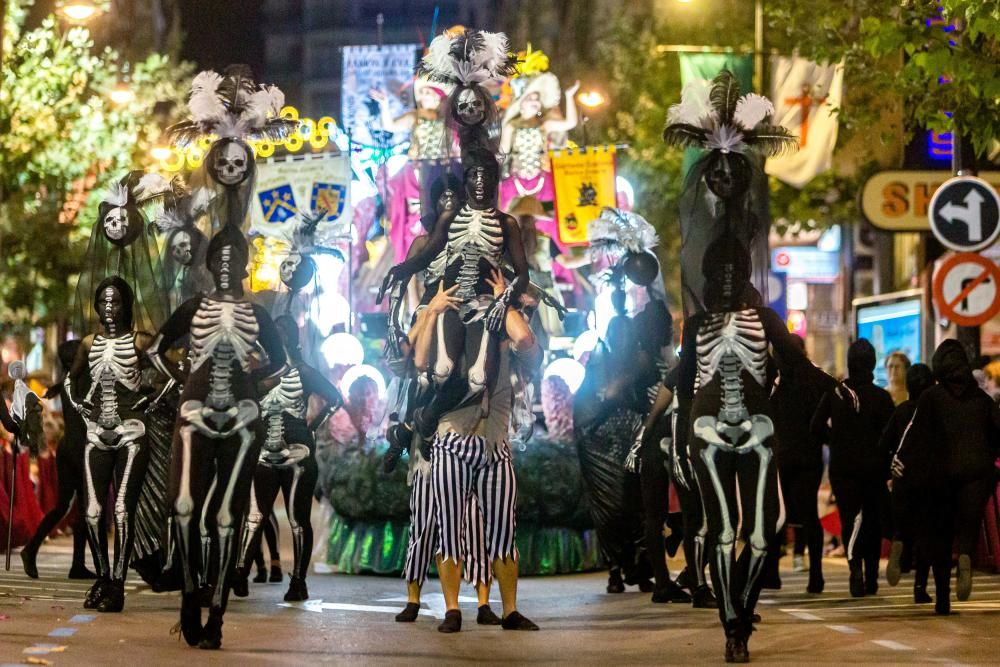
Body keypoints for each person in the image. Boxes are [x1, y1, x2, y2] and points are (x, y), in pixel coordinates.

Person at [149, 227, 286, 649]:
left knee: (230, 515)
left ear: (246, 265)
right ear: (209, 265)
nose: (227, 265)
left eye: (235, 257)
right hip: (196, 410)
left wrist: (254, 383)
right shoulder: (193, 308)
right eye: (220, 258)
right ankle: (191, 596)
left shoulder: (259, 314)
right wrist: (184, 380)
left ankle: (218, 614)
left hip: (242, 418)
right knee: (184, 507)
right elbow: (155, 348)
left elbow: (281, 363)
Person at [415, 269, 541, 633]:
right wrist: (432, 311)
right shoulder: (448, 323)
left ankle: (510, 610)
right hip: (452, 440)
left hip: (495, 444)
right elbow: (421, 362)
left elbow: (526, 341)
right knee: (450, 528)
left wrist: (506, 298)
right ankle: (453, 609)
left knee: (504, 531)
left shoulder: (502, 324)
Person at [392, 286, 500, 626]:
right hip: (428, 436)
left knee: (475, 523)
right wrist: (430, 312)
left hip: (464, 430)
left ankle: (483, 602)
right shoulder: (431, 310)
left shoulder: (476, 316)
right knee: (423, 521)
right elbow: (408, 357)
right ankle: (413, 596)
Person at [233, 316, 343, 602]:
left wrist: (312, 425)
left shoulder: (304, 372)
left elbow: (335, 398)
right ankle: (240, 571)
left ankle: (298, 581)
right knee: (255, 516)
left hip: (298, 448)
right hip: (265, 449)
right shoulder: (258, 376)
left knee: (297, 519)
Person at [63, 278, 154, 613]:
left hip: (131, 431)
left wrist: (147, 402)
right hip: (97, 429)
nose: (108, 308)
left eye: (115, 302)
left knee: (121, 510)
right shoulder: (89, 342)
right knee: (92, 512)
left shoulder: (140, 341)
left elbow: (172, 374)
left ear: (126, 305)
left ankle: (116, 586)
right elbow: (70, 379)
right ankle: (104, 577)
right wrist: (79, 405)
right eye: (103, 302)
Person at [893, 340, 1000, 614]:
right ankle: (965, 553)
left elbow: (915, 436)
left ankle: (942, 599)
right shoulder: (982, 400)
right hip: (977, 473)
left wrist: (902, 463)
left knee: (940, 536)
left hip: (941, 475)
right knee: (968, 525)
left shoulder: (931, 398)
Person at [575, 315, 656, 595]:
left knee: (637, 506)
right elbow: (590, 403)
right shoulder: (598, 360)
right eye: (615, 333)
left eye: (625, 333)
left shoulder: (641, 361)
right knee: (608, 510)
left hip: (631, 439)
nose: (620, 339)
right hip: (599, 442)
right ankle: (615, 568)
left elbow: (650, 397)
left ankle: (643, 567)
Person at [810, 339, 895, 598]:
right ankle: (871, 576)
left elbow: (815, 426)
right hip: (874, 468)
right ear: (872, 364)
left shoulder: (836, 394)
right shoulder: (882, 397)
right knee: (872, 520)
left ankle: (854, 568)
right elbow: (892, 435)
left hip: (843, 467)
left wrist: (834, 440)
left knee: (851, 520)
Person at [20, 340, 99, 581]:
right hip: (81, 446)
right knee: (86, 507)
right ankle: (76, 562)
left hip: (68, 446)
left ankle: (34, 549)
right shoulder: (84, 380)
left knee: (65, 506)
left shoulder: (66, 381)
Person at [770, 335, 836, 593]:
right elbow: (835, 395)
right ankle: (816, 575)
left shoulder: (776, 381)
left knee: (777, 516)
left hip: (782, 456)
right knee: (810, 516)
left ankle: (773, 573)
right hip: (809, 455)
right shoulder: (816, 380)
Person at [883, 363, 935, 603]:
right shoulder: (935, 414)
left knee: (903, 527)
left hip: (902, 479)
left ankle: (899, 543)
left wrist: (890, 471)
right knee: (926, 533)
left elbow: (884, 443)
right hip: (928, 480)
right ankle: (920, 587)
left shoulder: (902, 410)